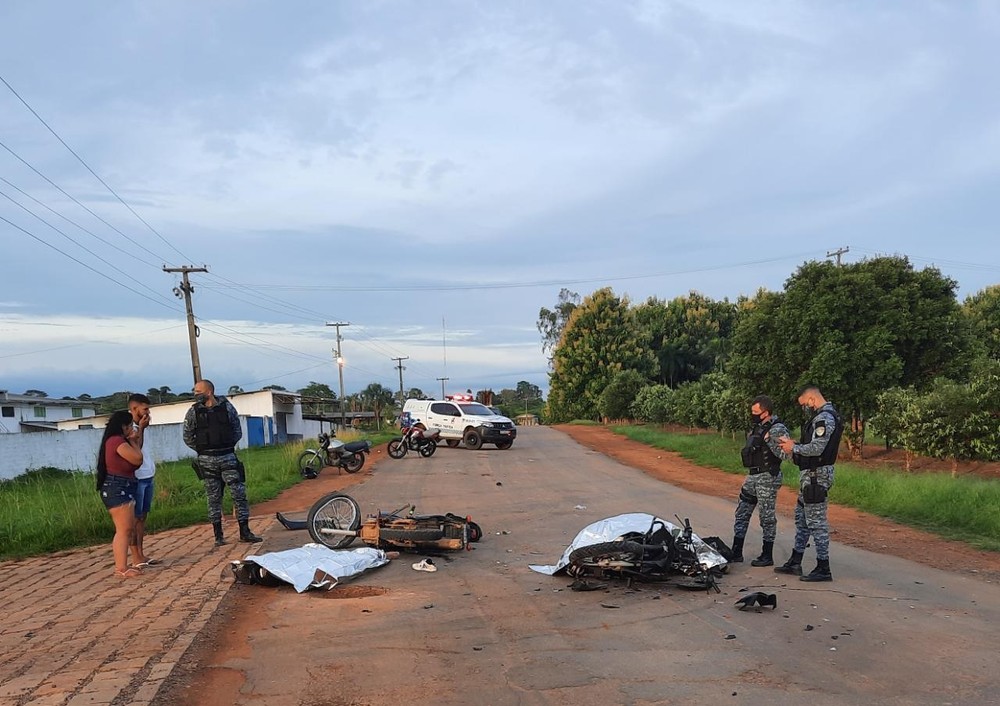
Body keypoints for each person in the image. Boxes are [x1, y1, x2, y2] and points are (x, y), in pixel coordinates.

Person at [182, 379, 262, 546]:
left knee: (239, 495)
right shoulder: (193, 412)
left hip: (228, 457)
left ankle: (245, 532)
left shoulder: (227, 407)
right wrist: (203, 450)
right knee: (213, 498)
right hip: (207, 460)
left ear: (209, 392)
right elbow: (187, 436)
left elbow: (237, 431)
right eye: (195, 392)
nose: (195, 395)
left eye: (198, 391)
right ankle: (218, 536)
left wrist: (225, 445)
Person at [776, 385, 843, 582]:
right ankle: (795, 561)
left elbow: (817, 448)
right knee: (802, 518)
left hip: (817, 476)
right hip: (810, 475)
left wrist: (793, 447)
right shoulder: (822, 417)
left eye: (805, 404)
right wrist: (793, 446)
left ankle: (824, 568)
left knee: (816, 522)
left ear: (812, 399)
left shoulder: (825, 418)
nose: (805, 408)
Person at [731, 395, 788, 567]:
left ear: (765, 412)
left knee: (766, 516)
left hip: (767, 477)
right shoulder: (757, 427)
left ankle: (767, 555)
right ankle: (736, 551)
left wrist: (770, 439)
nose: (752, 415)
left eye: (755, 412)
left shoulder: (777, 429)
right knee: (742, 512)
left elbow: (785, 454)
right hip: (752, 476)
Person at [96, 409, 144, 578]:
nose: (132, 428)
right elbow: (137, 459)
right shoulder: (116, 441)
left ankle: (122, 566)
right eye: (130, 425)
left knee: (127, 529)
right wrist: (134, 442)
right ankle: (121, 568)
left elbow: (136, 461)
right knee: (124, 529)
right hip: (117, 487)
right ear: (123, 426)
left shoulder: (115, 441)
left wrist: (134, 442)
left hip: (123, 485)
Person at [128, 393, 160, 568]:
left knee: (142, 517)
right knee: (135, 518)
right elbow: (136, 448)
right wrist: (142, 428)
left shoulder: (141, 426)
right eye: (145, 409)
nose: (148, 412)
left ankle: (141, 553)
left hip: (147, 474)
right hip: (137, 477)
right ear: (134, 408)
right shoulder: (129, 427)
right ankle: (135, 556)